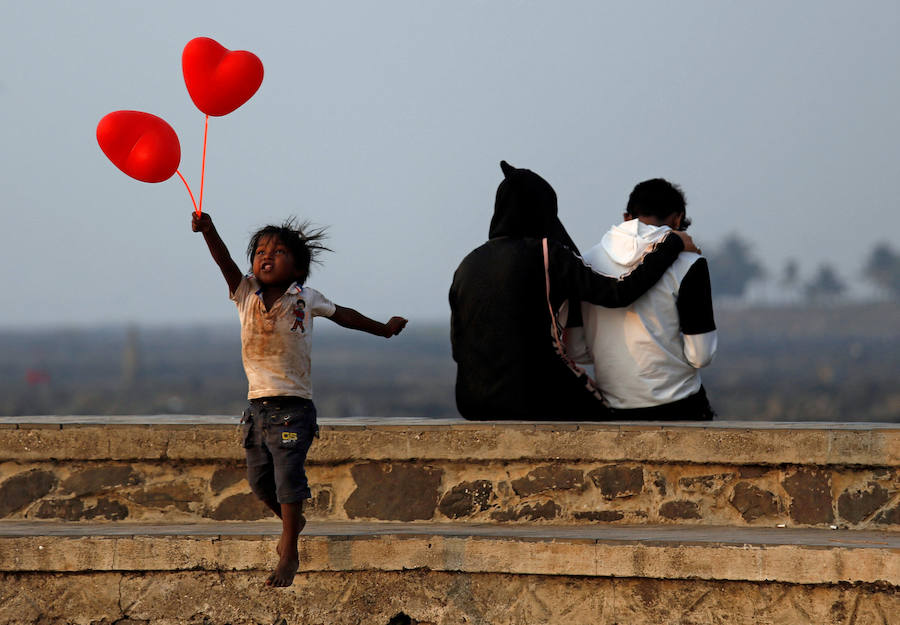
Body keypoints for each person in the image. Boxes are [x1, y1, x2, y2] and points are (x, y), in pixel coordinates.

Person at [192, 212, 407, 587]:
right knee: (260, 482)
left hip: (293, 408)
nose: (266, 257)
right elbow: (224, 261)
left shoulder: (305, 298)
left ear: (298, 267)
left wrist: (384, 329)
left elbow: (347, 316)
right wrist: (209, 231)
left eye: (277, 252)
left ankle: (289, 549)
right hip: (257, 408)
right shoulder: (244, 293)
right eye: (259, 251)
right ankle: (294, 521)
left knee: (288, 475)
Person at [449, 161, 699, 420]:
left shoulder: (467, 264)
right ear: (543, 210)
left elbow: (457, 348)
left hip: (471, 403)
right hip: (533, 399)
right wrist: (670, 244)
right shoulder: (546, 254)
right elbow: (619, 294)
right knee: (614, 420)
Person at [577, 178, 717, 420]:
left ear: (626, 217)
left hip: (613, 409)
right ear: (677, 219)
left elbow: (576, 350)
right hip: (679, 406)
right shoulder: (689, 264)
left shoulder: (585, 262)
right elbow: (701, 356)